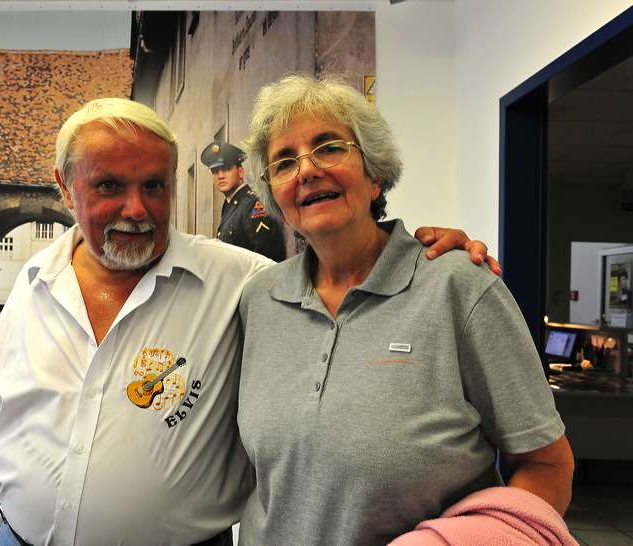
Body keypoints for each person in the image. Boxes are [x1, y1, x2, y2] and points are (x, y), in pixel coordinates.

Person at [0, 97, 498, 546]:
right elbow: (8, 405)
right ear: (64, 185)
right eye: (108, 187)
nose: (136, 209)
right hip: (13, 536)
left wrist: (431, 250)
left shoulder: (246, 283)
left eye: (154, 185)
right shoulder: (35, 278)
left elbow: (337, 267)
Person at [236, 73, 574, 545]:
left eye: (329, 147)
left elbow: (547, 465)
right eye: (284, 162)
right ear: (276, 198)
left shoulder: (458, 287)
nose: (307, 170)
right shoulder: (259, 300)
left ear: (375, 174)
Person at [201, 141, 287, 261]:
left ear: (240, 172)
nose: (220, 176)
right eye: (215, 171)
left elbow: (265, 258)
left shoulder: (253, 205)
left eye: (226, 169)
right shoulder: (230, 205)